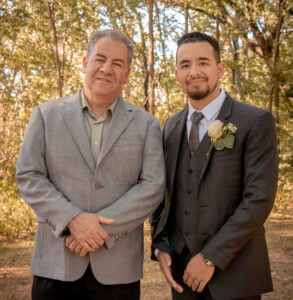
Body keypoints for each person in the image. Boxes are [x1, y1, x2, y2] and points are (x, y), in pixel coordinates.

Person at [16, 29, 165, 300]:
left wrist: (98, 231)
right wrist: (72, 220)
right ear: (85, 63)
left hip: (117, 266)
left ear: (127, 74)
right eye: (100, 59)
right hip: (56, 261)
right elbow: (29, 175)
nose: (107, 69)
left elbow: (152, 186)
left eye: (117, 64)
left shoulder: (146, 124)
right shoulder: (45, 115)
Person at [151, 32, 278, 300]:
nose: (193, 71)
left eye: (203, 62)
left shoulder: (255, 121)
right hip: (182, 274)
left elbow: (258, 199)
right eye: (185, 65)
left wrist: (210, 257)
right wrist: (160, 244)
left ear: (219, 69)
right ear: (177, 73)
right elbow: (162, 194)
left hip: (235, 273)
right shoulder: (170, 127)